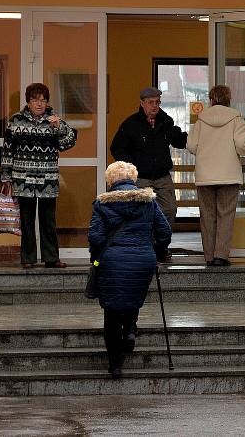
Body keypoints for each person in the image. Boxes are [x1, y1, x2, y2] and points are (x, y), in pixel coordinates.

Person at [88, 161, 172, 379]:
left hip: (112, 261)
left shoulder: (102, 203)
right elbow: (165, 232)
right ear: (133, 179)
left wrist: (98, 256)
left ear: (110, 180)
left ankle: (115, 364)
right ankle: (131, 331)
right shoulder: (149, 201)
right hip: (142, 259)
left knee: (112, 311)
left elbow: (95, 237)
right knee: (132, 297)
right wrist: (155, 250)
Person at [0, 82, 76, 268]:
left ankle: (51, 258)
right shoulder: (16, 121)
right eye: (35, 100)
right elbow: (8, 150)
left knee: (48, 221)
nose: (39, 104)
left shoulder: (53, 119)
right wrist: (6, 177)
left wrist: (60, 127)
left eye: (43, 100)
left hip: (47, 179)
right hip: (22, 178)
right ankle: (28, 258)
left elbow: (68, 144)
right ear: (28, 102)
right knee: (26, 221)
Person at [187, 85, 245, 266]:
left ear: (211, 100)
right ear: (229, 99)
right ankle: (221, 255)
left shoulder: (201, 121)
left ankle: (209, 256)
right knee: (225, 215)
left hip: (205, 176)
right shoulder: (236, 119)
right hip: (229, 175)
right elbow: (242, 145)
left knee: (207, 216)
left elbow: (191, 146)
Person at [110, 87, 187, 231]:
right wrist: (131, 166)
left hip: (162, 177)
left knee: (170, 210)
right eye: (151, 102)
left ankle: (161, 244)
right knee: (141, 213)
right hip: (141, 177)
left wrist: (197, 135)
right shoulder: (131, 124)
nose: (154, 106)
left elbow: (179, 141)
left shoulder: (166, 122)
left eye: (157, 102)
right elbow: (117, 148)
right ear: (142, 103)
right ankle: (147, 245)